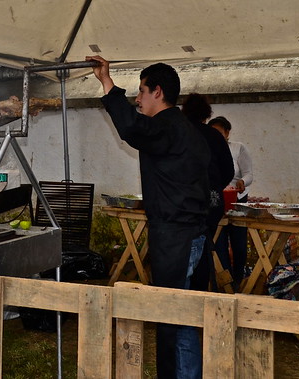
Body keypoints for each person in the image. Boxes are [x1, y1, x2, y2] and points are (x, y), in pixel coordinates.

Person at [86, 55, 209, 379]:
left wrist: (108, 83)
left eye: (141, 91)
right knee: (184, 319)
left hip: (176, 239)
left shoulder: (167, 126)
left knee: (168, 320)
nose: (137, 99)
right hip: (193, 235)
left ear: (157, 92)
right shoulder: (190, 130)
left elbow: (131, 127)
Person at [181, 93, 234, 292]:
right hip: (211, 203)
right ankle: (201, 290)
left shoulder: (179, 132)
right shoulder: (214, 136)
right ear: (206, 113)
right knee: (203, 249)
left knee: (184, 251)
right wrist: (214, 187)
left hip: (183, 204)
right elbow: (228, 170)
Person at [209, 116, 253, 288]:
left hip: (237, 200)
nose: (216, 136)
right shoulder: (207, 150)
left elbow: (249, 173)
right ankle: (226, 283)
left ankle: (239, 278)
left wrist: (243, 182)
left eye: (220, 133)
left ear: (227, 133)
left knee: (239, 243)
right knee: (219, 242)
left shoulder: (238, 148)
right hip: (217, 201)